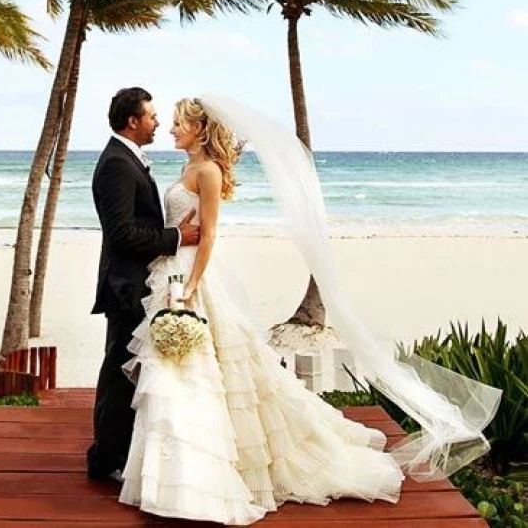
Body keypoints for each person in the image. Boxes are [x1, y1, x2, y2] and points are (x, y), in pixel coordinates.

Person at [118, 97, 405, 524]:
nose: (171, 129)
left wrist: (192, 287)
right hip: (170, 274)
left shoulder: (209, 172)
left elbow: (210, 236)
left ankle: (199, 475)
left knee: (200, 374)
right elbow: (183, 227)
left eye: (178, 123)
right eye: (171, 122)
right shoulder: (185, 169)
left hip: (191, 280)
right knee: (174, 377)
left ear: (200, 129)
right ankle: (167, 478)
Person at [87, 87, 201, 482]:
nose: (157, 123)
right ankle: (107, 460)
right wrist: (175, 238)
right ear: (132, 121)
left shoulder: (126, 158)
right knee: (120, 375)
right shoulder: (118, 163)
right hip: (125, 285)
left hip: (136, 281)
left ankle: (117, 453)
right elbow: (121, 234)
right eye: (151, 116)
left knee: (127, 371)